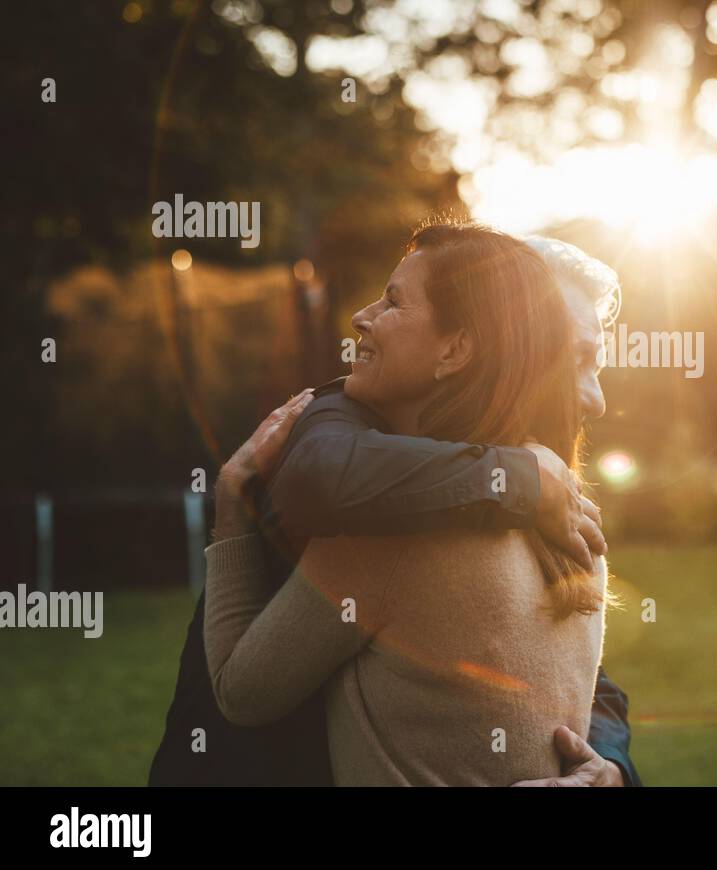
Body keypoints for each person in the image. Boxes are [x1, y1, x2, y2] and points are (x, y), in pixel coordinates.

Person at [149, 219, 639, 786]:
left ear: (463, 345)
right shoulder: (337, 426)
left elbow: (587, 685)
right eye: (572, 357)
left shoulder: (535, 514)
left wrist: (609, 773)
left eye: (393, 301)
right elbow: (316, 479)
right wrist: (521, 475)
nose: (594, 399)